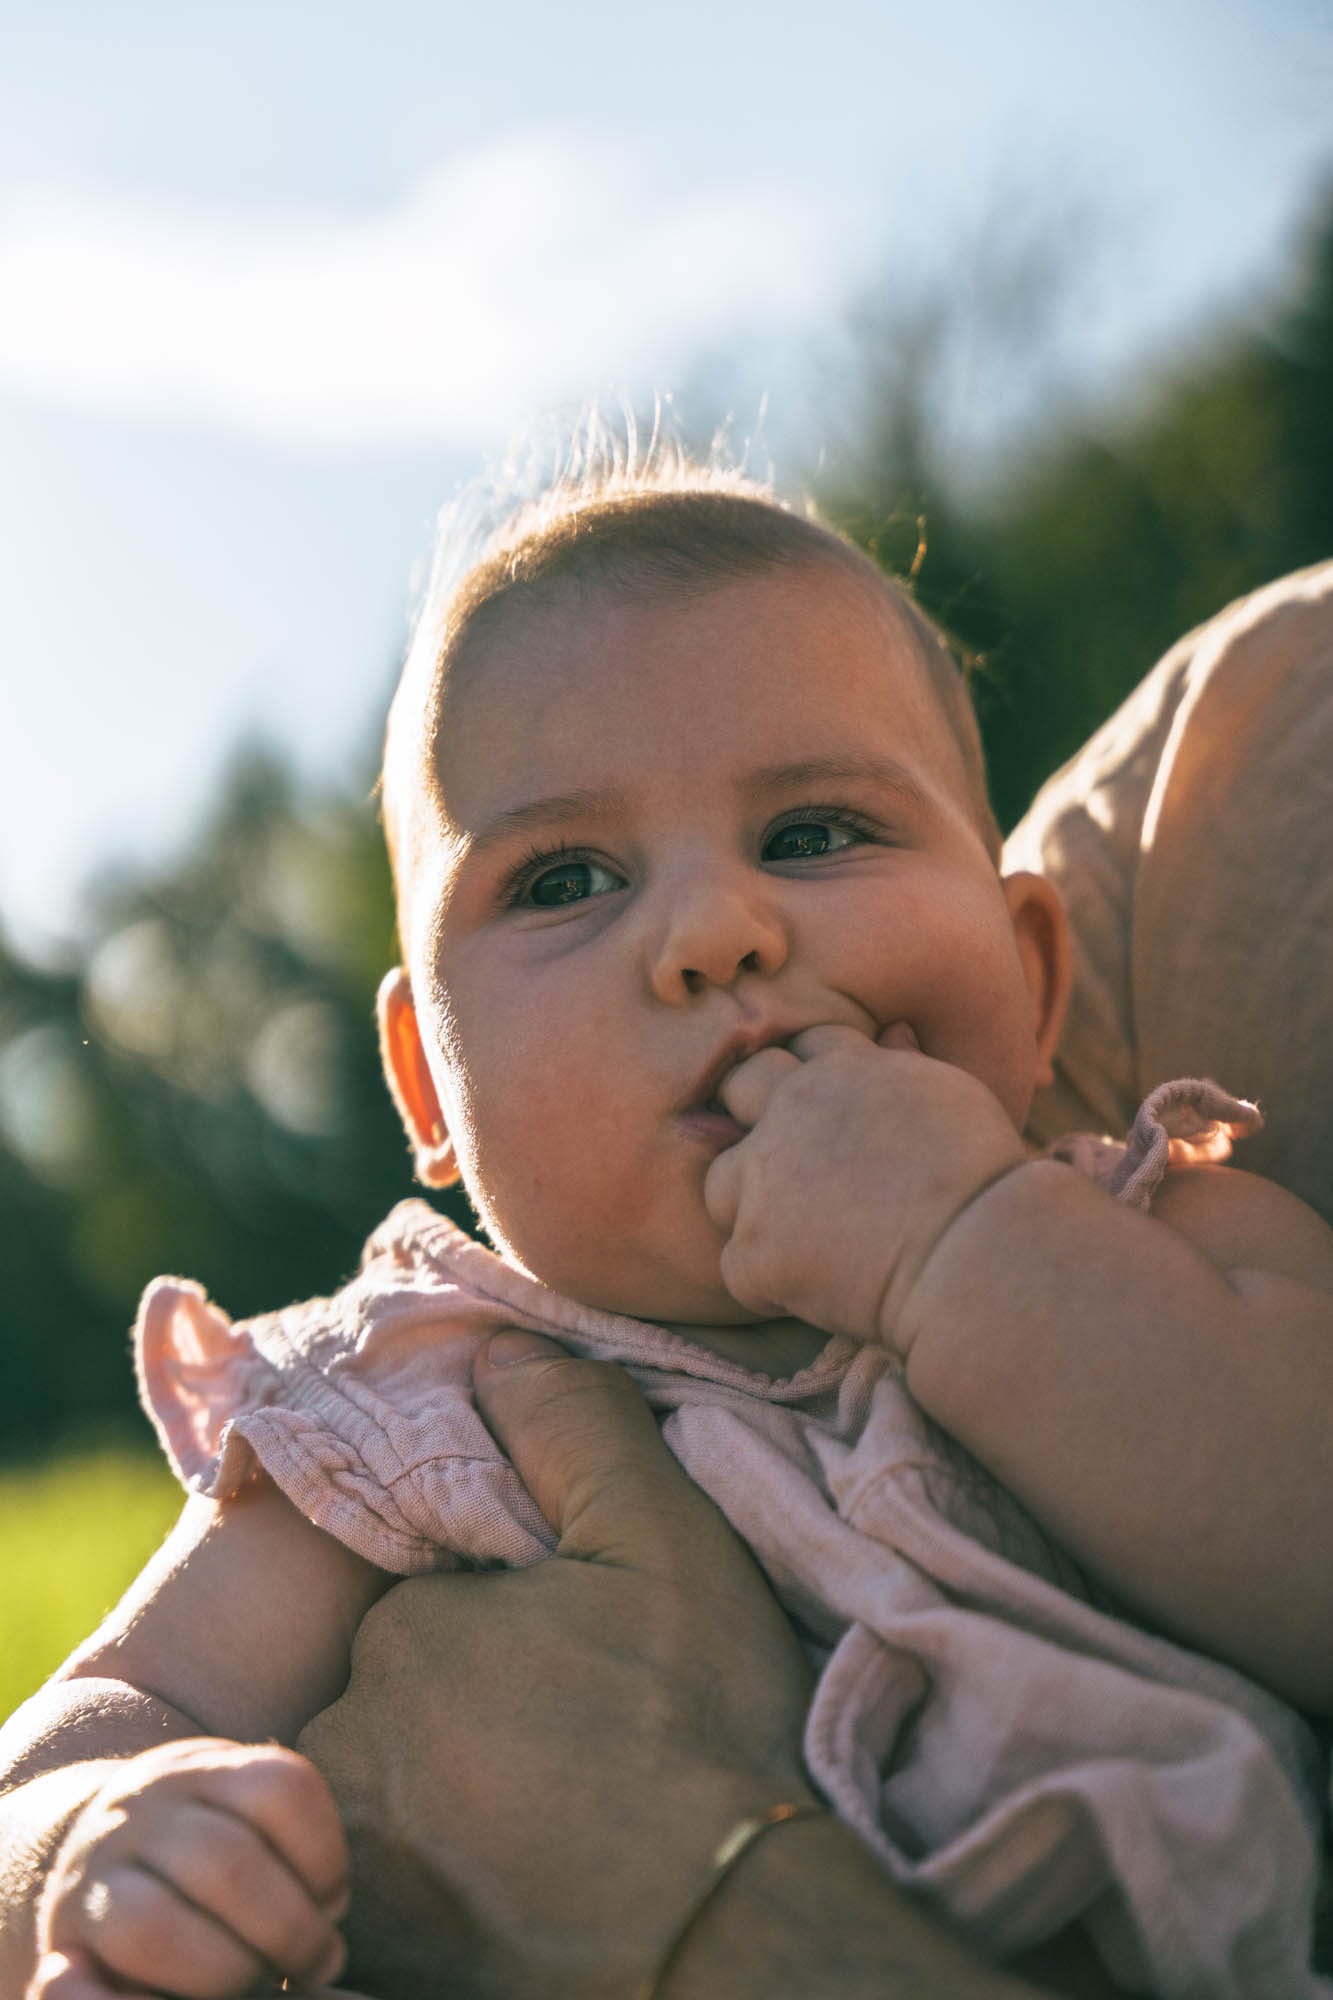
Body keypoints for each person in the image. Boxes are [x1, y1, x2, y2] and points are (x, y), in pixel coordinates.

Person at [3, 454, 1332, 2000]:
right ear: (430, 1087)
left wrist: (965, 1239)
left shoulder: (1169, 1232)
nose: (714, 934)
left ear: (1034, 974)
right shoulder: (415, 1409)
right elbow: (92, 1722)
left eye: (818, 832)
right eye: (567, 878)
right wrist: (99, 1833)